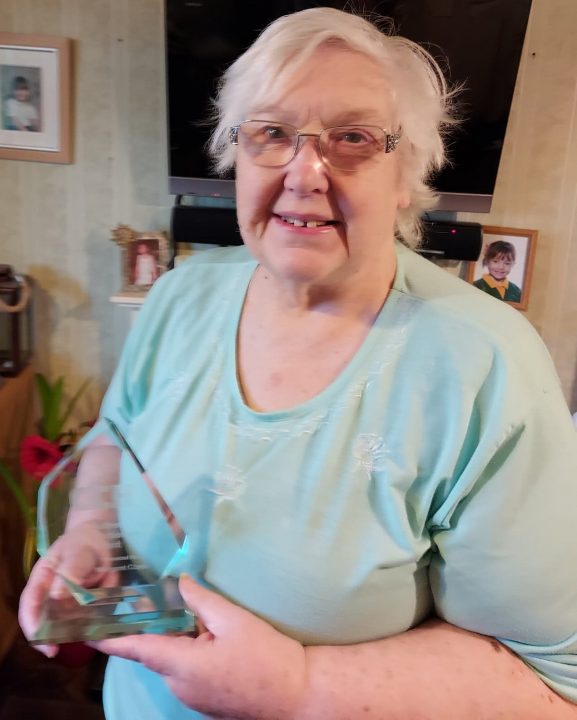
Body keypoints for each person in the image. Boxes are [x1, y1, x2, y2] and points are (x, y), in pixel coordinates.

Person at [20, 7, 577, 719]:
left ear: (405, 174)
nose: (303, 172)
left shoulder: (484, 367)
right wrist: (92, 531)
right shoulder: (179, 297)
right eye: (272, 133)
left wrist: (298, 686)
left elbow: (551, 681)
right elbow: (116, 440)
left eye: (353, 138)